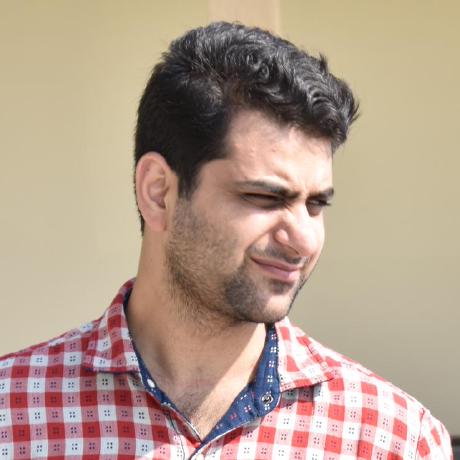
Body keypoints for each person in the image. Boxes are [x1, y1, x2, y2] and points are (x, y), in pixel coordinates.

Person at [0, 22, 452, 459]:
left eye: (316, 205)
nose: (302, 239)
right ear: (158, 192)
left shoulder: (394, 441)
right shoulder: (12, 416)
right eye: (264, 197)